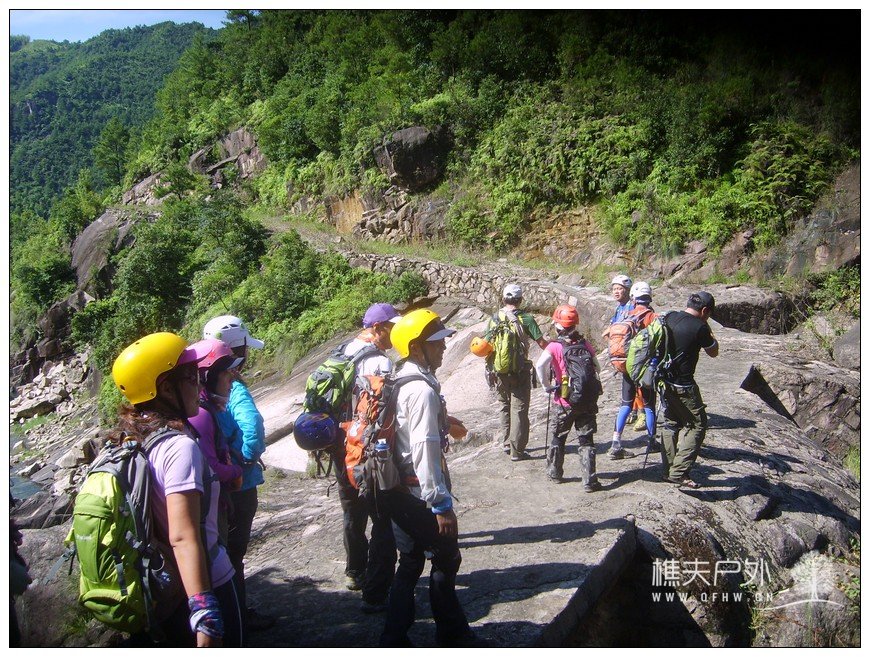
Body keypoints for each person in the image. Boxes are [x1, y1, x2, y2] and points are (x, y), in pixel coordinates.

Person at [111, 332, 243, 646]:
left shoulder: (132, 438)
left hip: (163, 586)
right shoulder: (179, 447)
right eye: (191, 377)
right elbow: (182, 536)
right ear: (166, 388)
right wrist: (204, 613)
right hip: (205, 582)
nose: (199, 385)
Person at [378, 309, 482, 647]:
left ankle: (393, 638)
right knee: (446, 559)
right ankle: (453, 635)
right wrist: (440, 505)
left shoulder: (399, 378)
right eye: (436, 342)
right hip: (418, 493)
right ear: (416, 348)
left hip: (397, 490)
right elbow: (423, 449)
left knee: (409, 563)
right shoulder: (421, 391)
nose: (443, 347)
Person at [202, 315, 273, 631]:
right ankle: (238, 618)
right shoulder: (235, 389)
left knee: (221, 554)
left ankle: (229, 615)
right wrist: (243, 463)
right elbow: (252, 428)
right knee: (233, 556)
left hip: (215, 484)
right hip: (239, 487)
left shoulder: (202, 389)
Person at [331, 302, 400, 612]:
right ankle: (376, 585)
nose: (395, 334)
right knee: (381, 513)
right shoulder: (378, 362)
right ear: (377, 328)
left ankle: (355, 570)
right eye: (392, 328)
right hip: (365, 447)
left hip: (340, 441)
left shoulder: (344, 350)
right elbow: (383, 409)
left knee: (351, 510)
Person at [534, 305, 602, 491]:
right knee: (586, 439)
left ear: (558, 325)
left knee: (558, 436)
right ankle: (589, 480)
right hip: (586, 399)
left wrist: (546, 386)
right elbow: (598, 368)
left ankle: (555, 472)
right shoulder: (584, 344)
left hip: (564, 400)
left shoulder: (555, 346)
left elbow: (540, 366)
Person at [659, 292, 719, 489]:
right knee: (697, 425)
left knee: (671, 423)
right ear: (705, 310)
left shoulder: (669, 317)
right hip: (684, 385)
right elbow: (713, 352)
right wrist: (708, 330)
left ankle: (668, 469)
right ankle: (679, 472)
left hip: (664, 381)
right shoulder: (699, 327)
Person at [188, 339, 245, 544]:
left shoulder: (206, 408)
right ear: (208, 376)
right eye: (227, 372)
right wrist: (237, 471)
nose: (232, 377)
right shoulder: (201, 415)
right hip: (210, 511)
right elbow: (211, 468)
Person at [484, 283, 548, 461]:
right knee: (519, 409)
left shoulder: (494, 318)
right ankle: (517, 451)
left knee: (504, 406)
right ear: (520, 300)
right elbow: (542, 343)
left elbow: (486, 344)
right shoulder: (526, 319)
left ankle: (506, 443)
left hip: (499, 372)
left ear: (504, 299)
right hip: (519, 371)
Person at [609, 282, 658, 459]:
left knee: (625, 404)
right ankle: (652, 441)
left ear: (633, 298)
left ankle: (615, 443)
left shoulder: (627, 315)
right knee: (649, 405)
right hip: (645, 367)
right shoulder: (652, 317)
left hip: (627, 365)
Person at [602, 274, 639, 426]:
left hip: (631, 350)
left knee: (634, 382)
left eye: (619, 289)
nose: (616, 292)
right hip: (621, 350)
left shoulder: (632, 306)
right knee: (629, 382)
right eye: (614, 289)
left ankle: (636, 411)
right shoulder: (619, 308)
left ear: (628, 290)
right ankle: (633, 410)